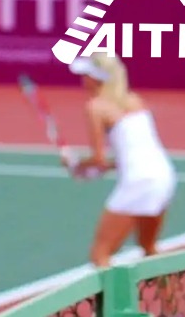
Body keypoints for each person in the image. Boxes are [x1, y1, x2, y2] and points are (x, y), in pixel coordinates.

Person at [67, 53, 177, 268]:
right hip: (164, 176)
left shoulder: (95, 107)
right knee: (149, 247)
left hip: (138, 181)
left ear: (96, 78)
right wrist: (88, 167)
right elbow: (128, 156)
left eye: (86, 75)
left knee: (100, 255)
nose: (83, 80)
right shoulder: (135, 101)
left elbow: (99, 160)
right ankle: (170, 292)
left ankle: (114, 294)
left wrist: (76, 164)